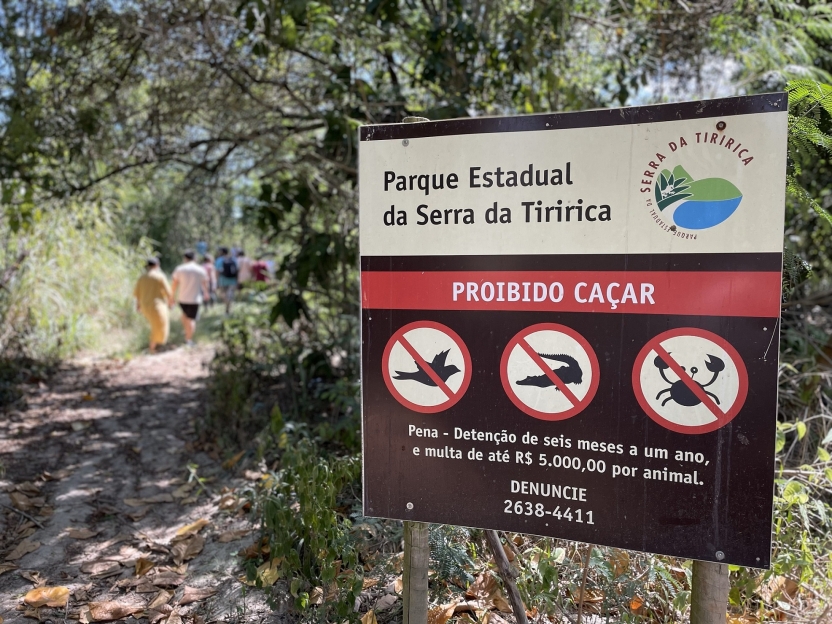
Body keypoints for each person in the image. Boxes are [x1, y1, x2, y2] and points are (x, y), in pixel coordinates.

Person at [133, 257, 172, 353]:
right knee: (160, 326)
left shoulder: (142, 277)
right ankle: (152, 349)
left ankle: (155, 347)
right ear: (157, 265)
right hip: (157, 306)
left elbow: (137, 294)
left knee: (156, 326)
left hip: (145, 306)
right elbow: (168, 292)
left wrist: (138, 306)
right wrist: (171, 302)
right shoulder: (160, 276)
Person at [170, 250, 209, 347]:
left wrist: (171, 296)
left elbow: (174, 283)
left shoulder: (179, 269)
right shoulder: (200, 269)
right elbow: (204, 283)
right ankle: (189, 339)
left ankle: (188, 335)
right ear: (195, 258)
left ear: (185, 258)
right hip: (194, 299)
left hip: (182, 299)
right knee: (191, 319)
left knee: (185, 317)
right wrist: (206, 293)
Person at [215, 247, 238, 314]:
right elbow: (237, 270)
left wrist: (217, 281)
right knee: (230, 295)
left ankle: (227, 308)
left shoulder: (219, 260)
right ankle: (228, 308)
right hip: (232, 280)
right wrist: (237, 280)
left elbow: (217, 271)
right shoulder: (233, 259)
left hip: (222, 281)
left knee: (223, 295)